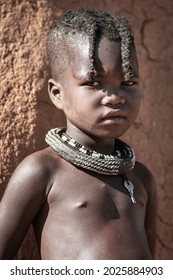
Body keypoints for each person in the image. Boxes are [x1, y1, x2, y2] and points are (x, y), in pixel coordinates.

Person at [0, 8, 157, 260]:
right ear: (57, 94)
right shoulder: (42, 172)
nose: (115, 98)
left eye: (127, 83)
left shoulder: (142, 178)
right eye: (94, 83)